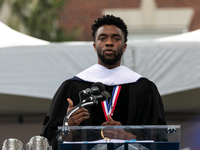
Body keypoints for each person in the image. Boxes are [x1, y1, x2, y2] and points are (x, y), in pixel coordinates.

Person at [41, 15, 166, 150]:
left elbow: (160, 138)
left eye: (116, 38)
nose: (109, 43)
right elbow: (47, 141)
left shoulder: (144, 88)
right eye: (102, 38)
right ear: (95, 46)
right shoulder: (73, 87)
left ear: (124, 47)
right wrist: (67, 128)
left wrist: (127, 136)